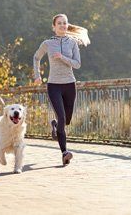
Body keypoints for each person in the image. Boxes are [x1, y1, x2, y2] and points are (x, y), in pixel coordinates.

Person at [33, 14, 90, 166]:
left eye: (65, 23)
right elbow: (36, 57)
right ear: (54, 27)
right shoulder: (47, 43)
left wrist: (62, 57)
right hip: (54, 85)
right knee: (62, 119)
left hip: (70, 85)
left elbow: (77, 64)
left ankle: (55, 126)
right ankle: (65, 153)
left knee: (67, 120)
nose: (63, 25)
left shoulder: (72, 43)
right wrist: (37, 75)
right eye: (59, 23)